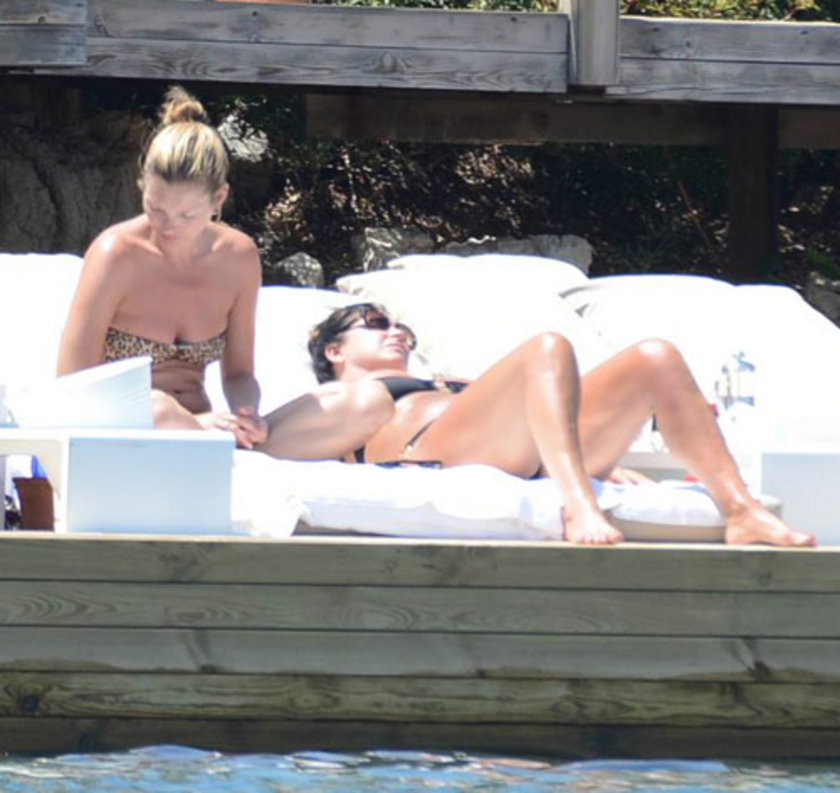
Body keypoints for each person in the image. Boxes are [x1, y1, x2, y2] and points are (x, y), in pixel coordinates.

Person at [257, 302, 815, 548]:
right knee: (547, 347)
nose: (395, 331)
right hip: (437, 452)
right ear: (333, 350)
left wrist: (607, 462)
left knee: (655, 357)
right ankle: (577, 503)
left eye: (400, 325)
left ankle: (741, 512)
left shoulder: (441, 380)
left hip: (524, 453)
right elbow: (266, 443)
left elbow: (538, 409)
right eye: (375, 323)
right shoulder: (345, 396)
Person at [58, 86, 267, 449]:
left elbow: (239, 374)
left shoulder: (239, 258)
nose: (167, 227)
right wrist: (196, 425)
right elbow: (73, 383)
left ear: (218, 198)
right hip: (128, 430)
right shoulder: (116, 254)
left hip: (207, 432)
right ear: (142, 186)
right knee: (159, 407)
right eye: (155, 208)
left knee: (356, 402)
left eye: (186, 215)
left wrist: (247, 414)